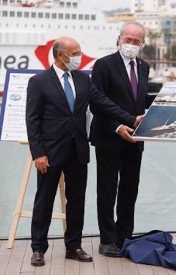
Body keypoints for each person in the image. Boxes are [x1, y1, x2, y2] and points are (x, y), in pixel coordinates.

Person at [26, 36, 141, 267]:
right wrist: (38, 153)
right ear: (61, 55)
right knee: (44, 200)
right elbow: (32, 120)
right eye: (75, 53)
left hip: (78, 150)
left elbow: (102, 103)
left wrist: (131, 118)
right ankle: (38, 248)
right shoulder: (39, 81)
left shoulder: (83, 79)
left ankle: (73, 246)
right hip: (50, 152)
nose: (79, 56)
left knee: (76, 200)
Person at [89, 21, 150, 257]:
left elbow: (140, 101)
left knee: (129, 189)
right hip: (109, 136)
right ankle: (107, 239)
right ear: (119, 39)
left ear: (143, 44)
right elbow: (96, 103)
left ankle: (125, 235)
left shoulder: (144, 66)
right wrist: (117, 126)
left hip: (135, 139)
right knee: (107, 189)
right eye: (128, 40)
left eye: (136, 41)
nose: (131, 45)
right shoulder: (104, 65)